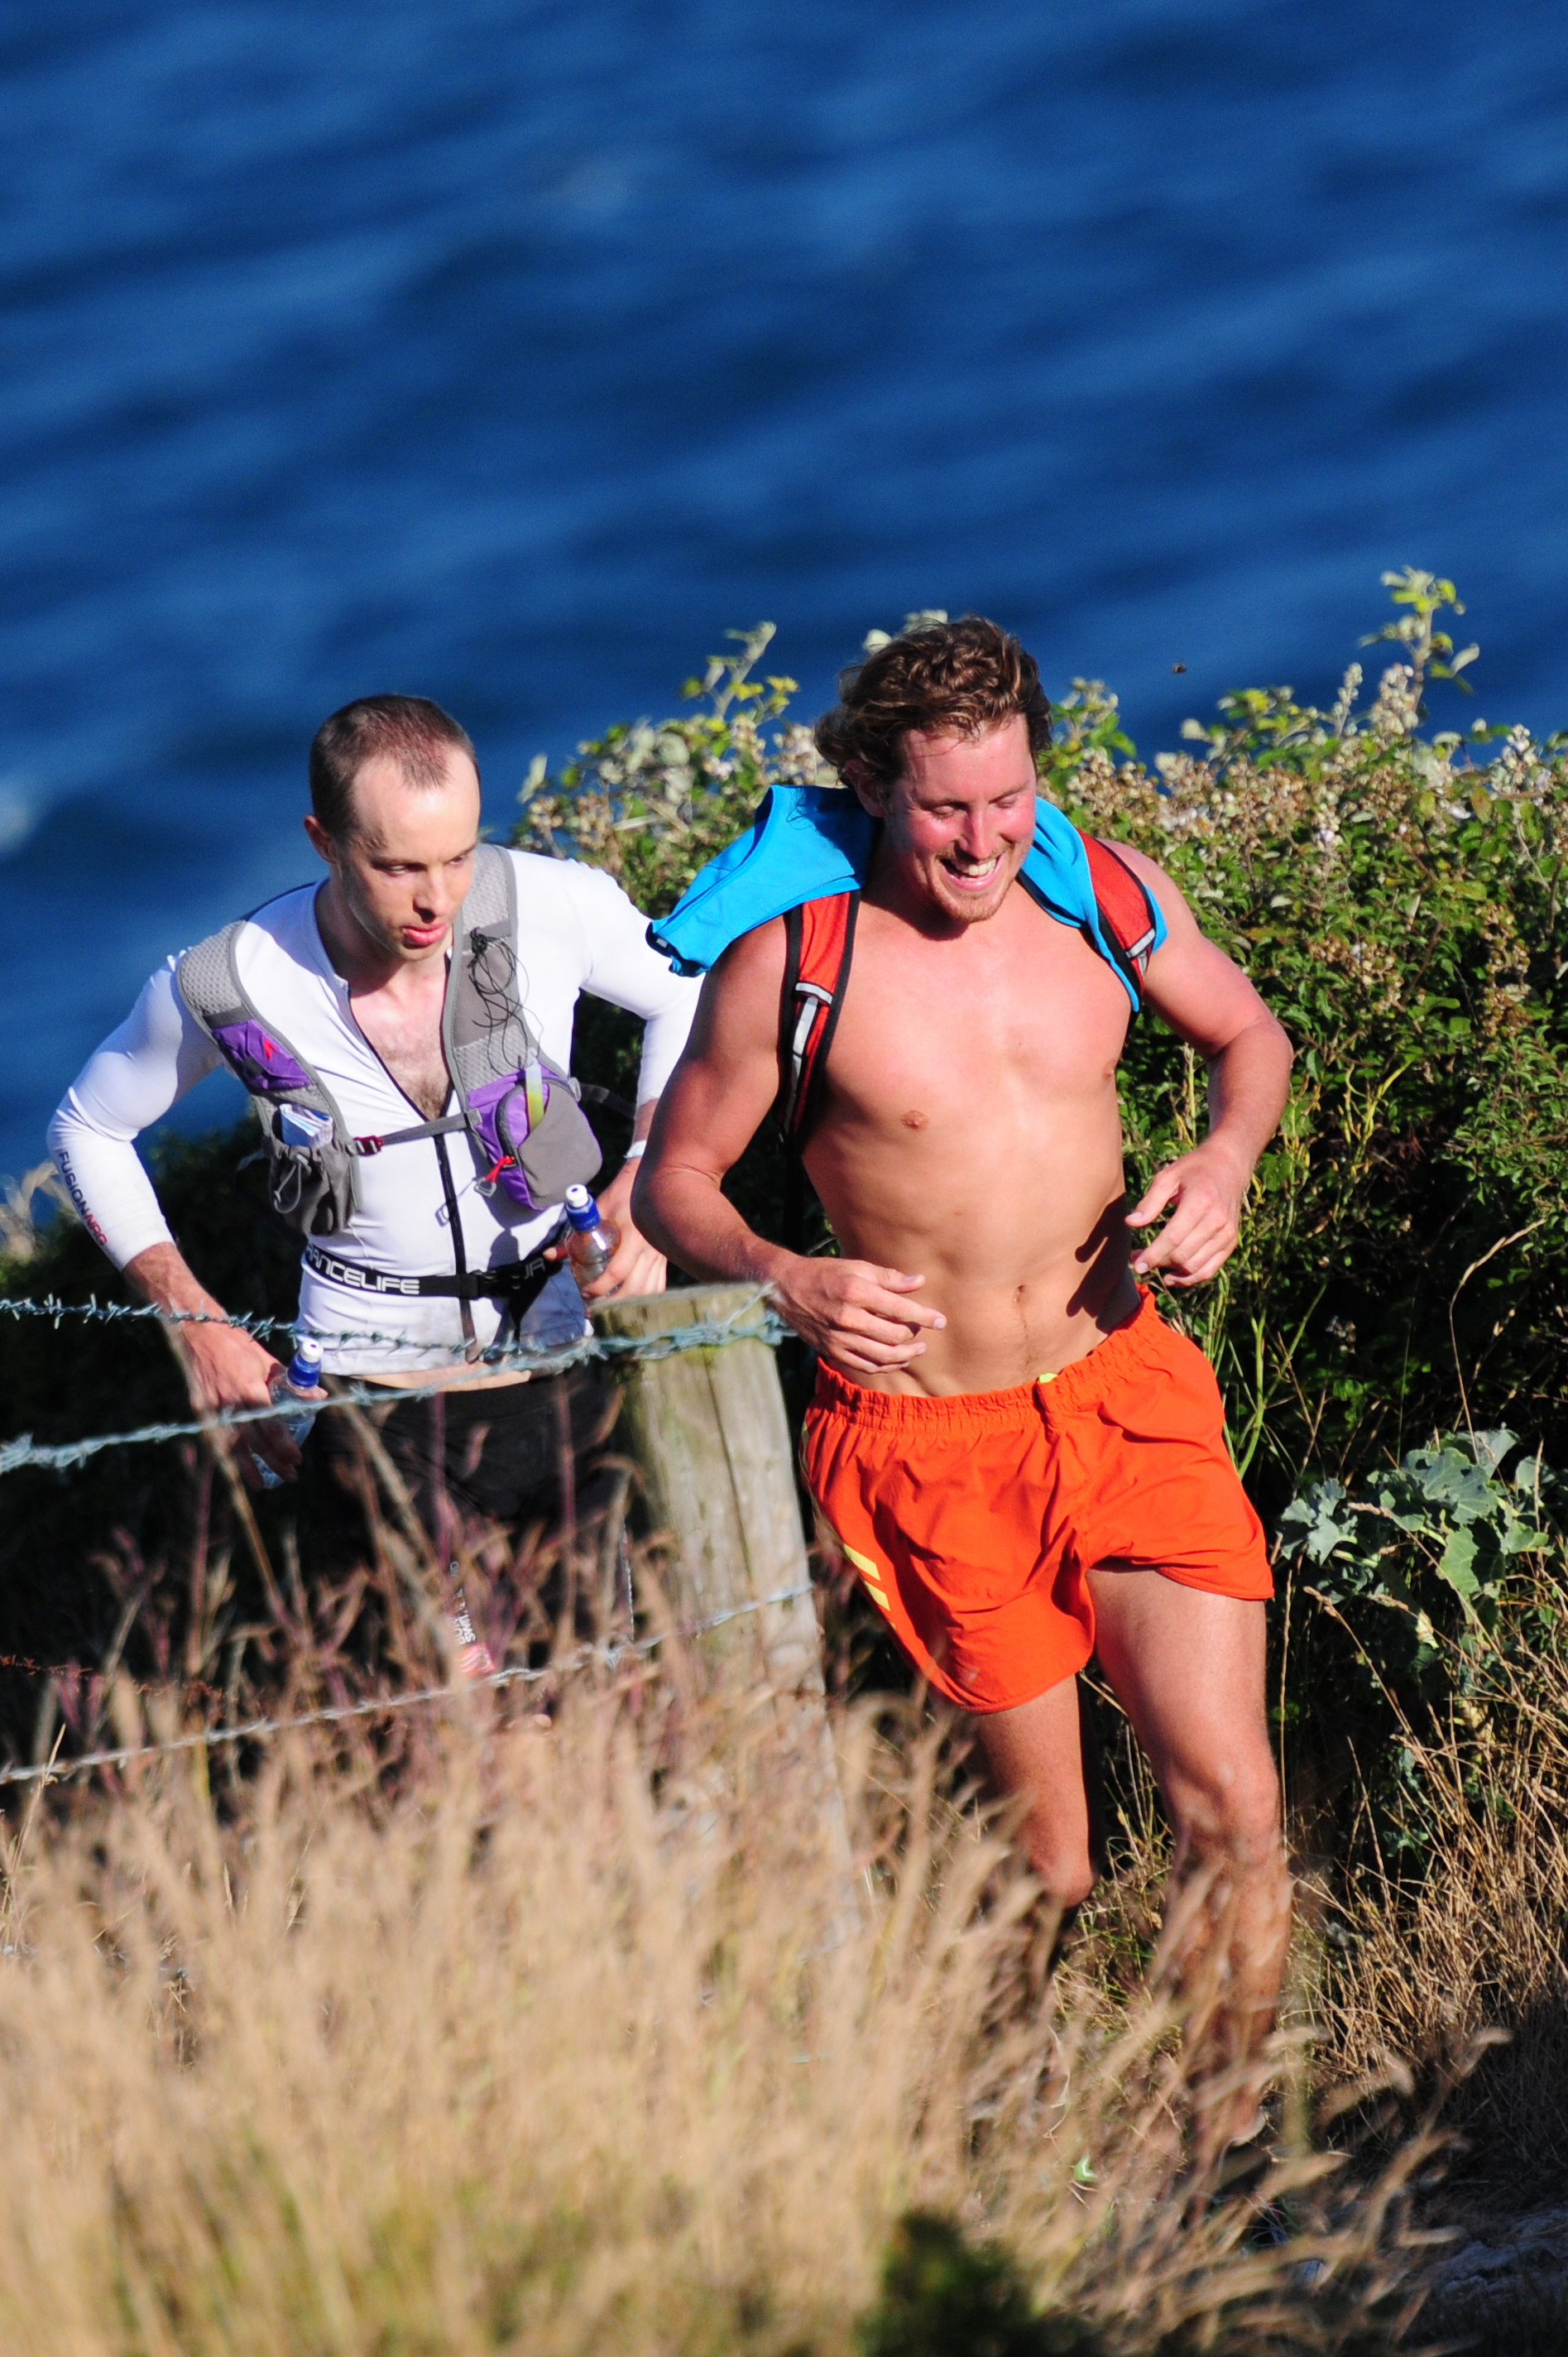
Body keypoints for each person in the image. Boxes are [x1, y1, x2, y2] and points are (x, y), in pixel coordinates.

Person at [636, 616, 1296, 2139]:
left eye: (1008, 798)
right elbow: (678, 1182)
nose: (987, 838)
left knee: (1235, 1810)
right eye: (946, 808)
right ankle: (986, 2114)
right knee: (1048, 1863)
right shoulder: (790, 964)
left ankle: (1226, 2155)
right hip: (930, 1440)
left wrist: (1223, 1156)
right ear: (871, 783)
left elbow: (1245, 1033)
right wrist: (785, 1276)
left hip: (1123, 1389)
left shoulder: (1102, 895)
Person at [48, 694, 699, 1668]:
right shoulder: (234, 981)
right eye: (397, 867)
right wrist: (199, 1326)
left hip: (559, 1369)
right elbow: (88, 1128)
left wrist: (649, 1182)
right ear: (323, 840)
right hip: (372, 1398)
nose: (436, 899)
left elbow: (690, 995)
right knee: (461, 1719)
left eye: (458, 856)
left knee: (598, 1693)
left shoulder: (552, 905)